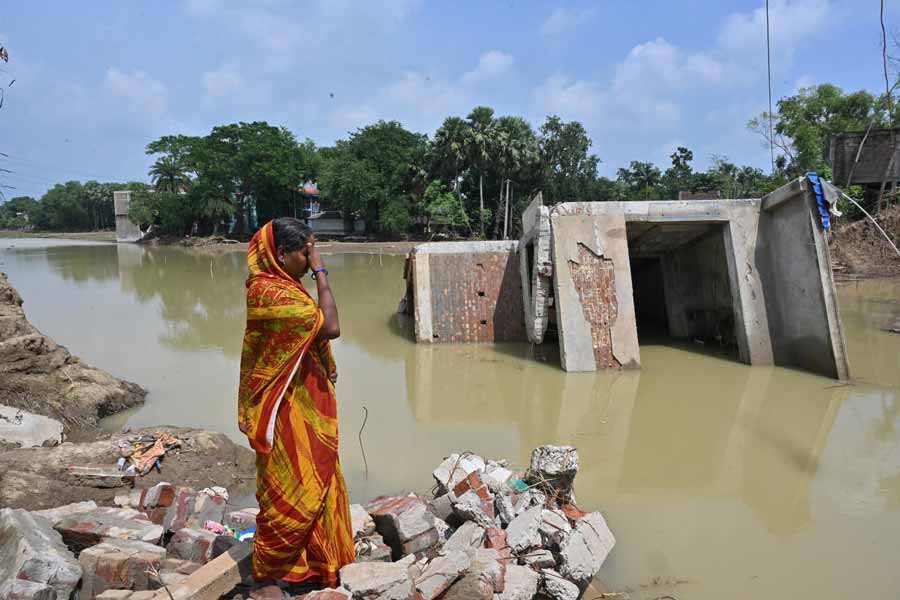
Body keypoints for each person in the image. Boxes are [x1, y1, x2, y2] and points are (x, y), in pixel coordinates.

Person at [238, 217, 354, 598]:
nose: (309, 258)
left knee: (319, 479)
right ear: (281, 254)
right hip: (283, 407)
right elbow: (331, 325)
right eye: (304, 252)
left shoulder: (284, 286)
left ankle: (318, 565)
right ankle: (271, 574)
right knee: (292, 484)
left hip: (305, 400)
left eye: (311, 251)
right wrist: (322, 272)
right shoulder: (270, 294)